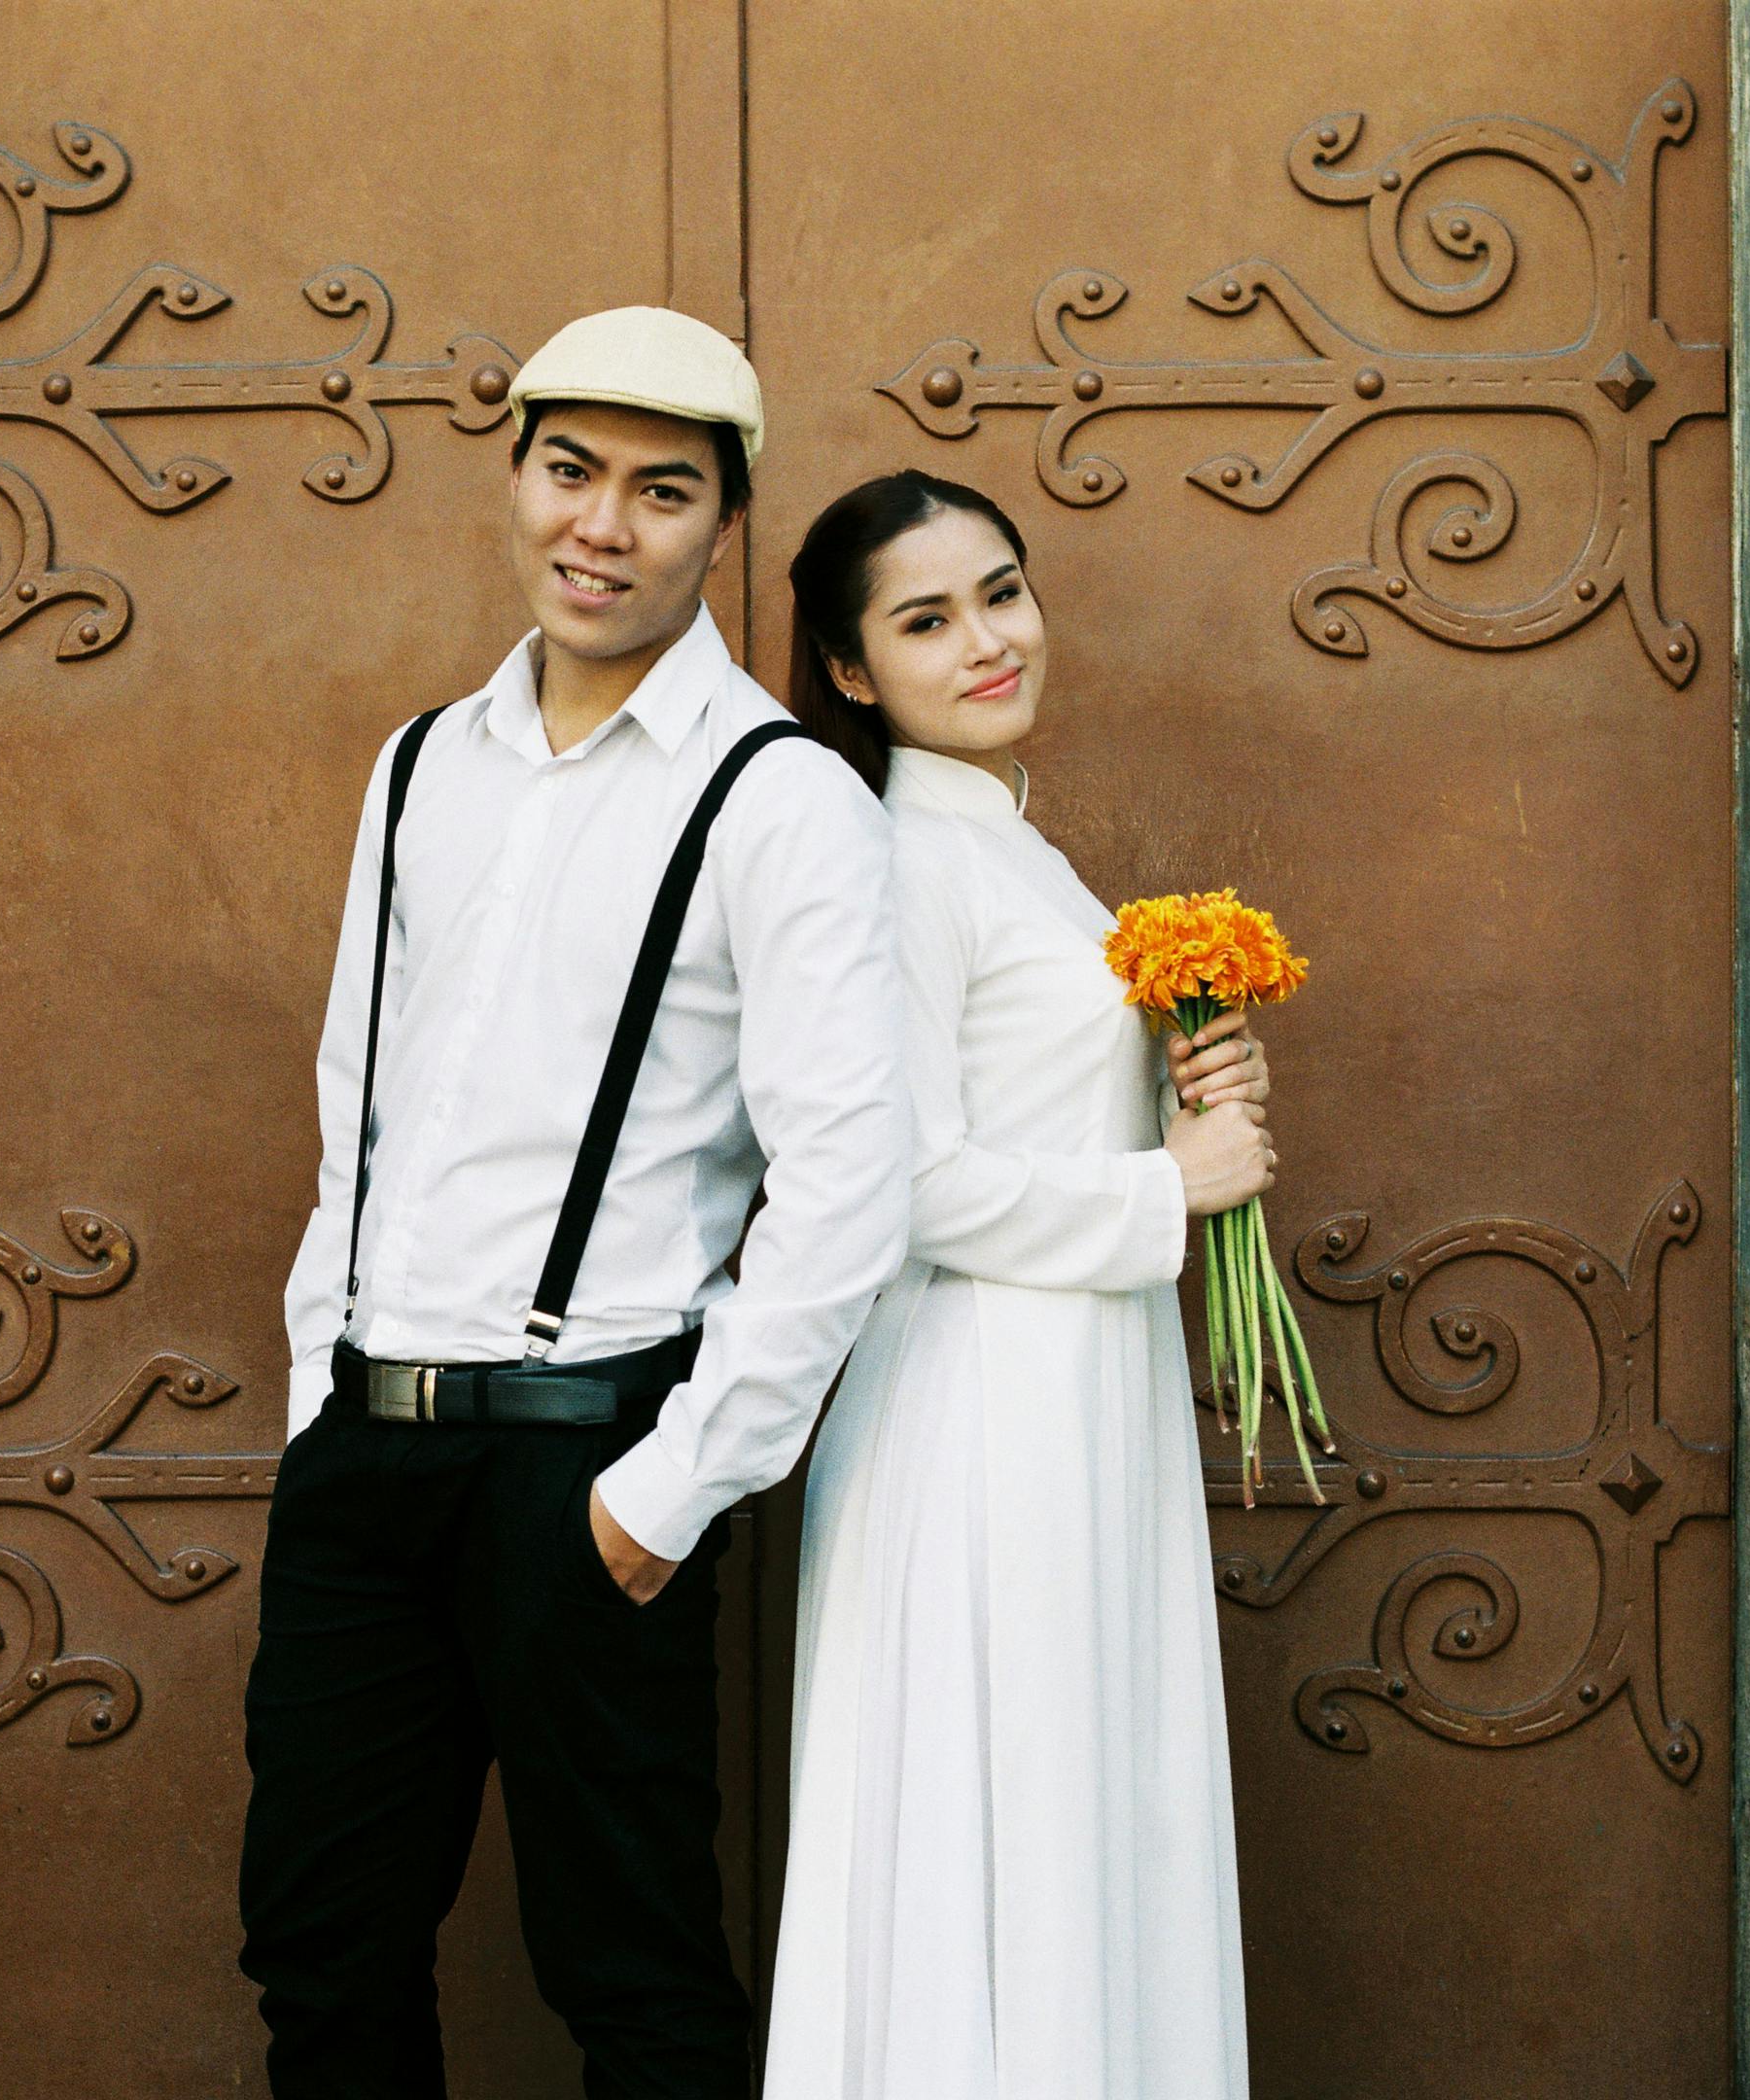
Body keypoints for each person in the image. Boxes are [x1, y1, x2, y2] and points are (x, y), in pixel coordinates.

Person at [239, 308, 911, 2100]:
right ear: (516, 474)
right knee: (322, 1954)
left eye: (661, 490)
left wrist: (670, 1490)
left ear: (723, 524)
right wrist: (322, 1394)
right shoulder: (418, 767)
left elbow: (850, 1183)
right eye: (570, 471)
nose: (602, 525)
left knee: (633, 1980)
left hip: (587, 1465)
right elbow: (352, 1114)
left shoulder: (779, 803)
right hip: (366, 1457)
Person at [762, 471, 1270, 2099]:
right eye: (927, 620)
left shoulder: (1017, 853)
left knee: (1077, 1799)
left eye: (1003, 592)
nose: (989, 640)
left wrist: (1188, 1084)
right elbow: (900, 1181)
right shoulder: (898, 858)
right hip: (983, 1414)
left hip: (1078, 1398)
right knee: (1009, 1805)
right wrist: (1160, 1187)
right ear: (851, 670)